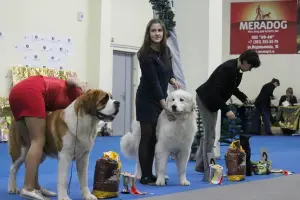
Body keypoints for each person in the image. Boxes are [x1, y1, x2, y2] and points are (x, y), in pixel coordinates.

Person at [9, 75, 86, 200]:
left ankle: (35, 186)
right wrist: (79, 83)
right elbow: (71, 79)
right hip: (31, 92)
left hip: (16, 93)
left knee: (30, 144)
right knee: (38, 140)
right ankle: (28, 188)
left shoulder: (71, 96)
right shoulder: (78, 95)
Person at [194, 49, 261, 181]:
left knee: (209, 133)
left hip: (213, 101)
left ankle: (201, 164)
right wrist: (226, 109)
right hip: (205, 99)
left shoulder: (237, 70)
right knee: (210, 135)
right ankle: (208, 169)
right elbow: (214, 92)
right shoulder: (227, 68)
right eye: (251, 66)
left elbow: (231, 88)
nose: (251, 69)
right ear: (245, 62)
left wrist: (244, 98)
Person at [135, 18, 179, 185]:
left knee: (155, 137)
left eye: (159, 31)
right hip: (147, 99)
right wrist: (164, 104)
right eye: (153, 31)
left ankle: (151, 172)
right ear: (148, 33)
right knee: (147, 136)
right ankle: (144, 175)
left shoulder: (166, 50)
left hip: (160, 97)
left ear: (163, 32)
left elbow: (169, 70)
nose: (157, 34)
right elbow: (153, 81)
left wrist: (173, 79)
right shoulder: (145, 54)